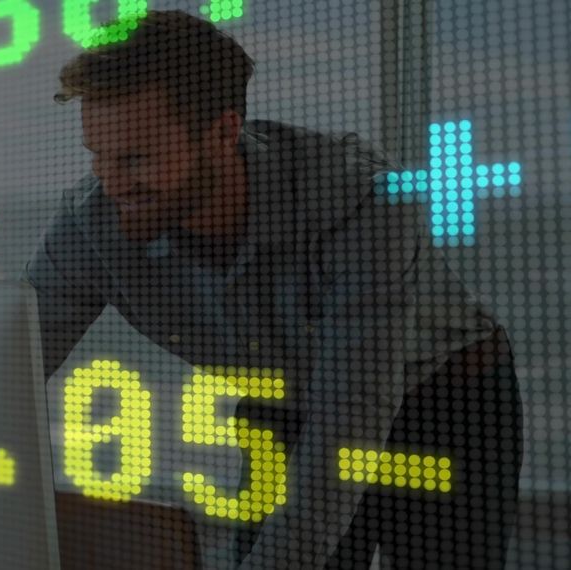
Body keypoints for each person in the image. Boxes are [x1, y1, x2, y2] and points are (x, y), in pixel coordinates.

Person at [26, 10, 522, 569]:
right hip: (285, 404)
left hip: (446, 400)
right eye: (99, 156)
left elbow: (350, 412)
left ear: (222, 132)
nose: (112, 184)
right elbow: (10, 363)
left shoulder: (354, 198)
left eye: (137, 158)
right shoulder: (92, 220)